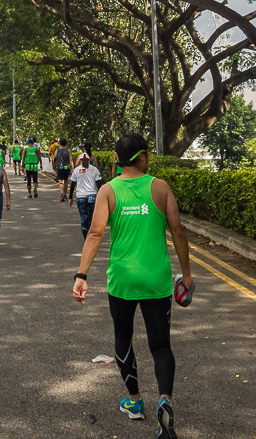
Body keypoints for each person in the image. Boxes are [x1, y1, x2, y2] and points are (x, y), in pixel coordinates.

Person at [73, 133, 193, 439]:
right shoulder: (160, 187)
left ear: (117, 159)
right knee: (161, 345)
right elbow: (178, 231)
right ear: (143, 157)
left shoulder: (108, 191)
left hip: (122, 279)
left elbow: (95, 233)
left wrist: (82, 275)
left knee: (123, 338)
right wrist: (187, 273)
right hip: (156, 280)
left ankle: (136, 401)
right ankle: (164, 400)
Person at [71, 153, 102, 237]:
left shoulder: (77, 170)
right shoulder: (94, 170)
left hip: (80, 197)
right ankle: (90, 234)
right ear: (89, 160)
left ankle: (86, 234)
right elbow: (99, 184)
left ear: (80, 161)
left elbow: (73, 184)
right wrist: (100, 197)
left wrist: (70, 197)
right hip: (92, 196)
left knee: (83, 217)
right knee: (90, 217)